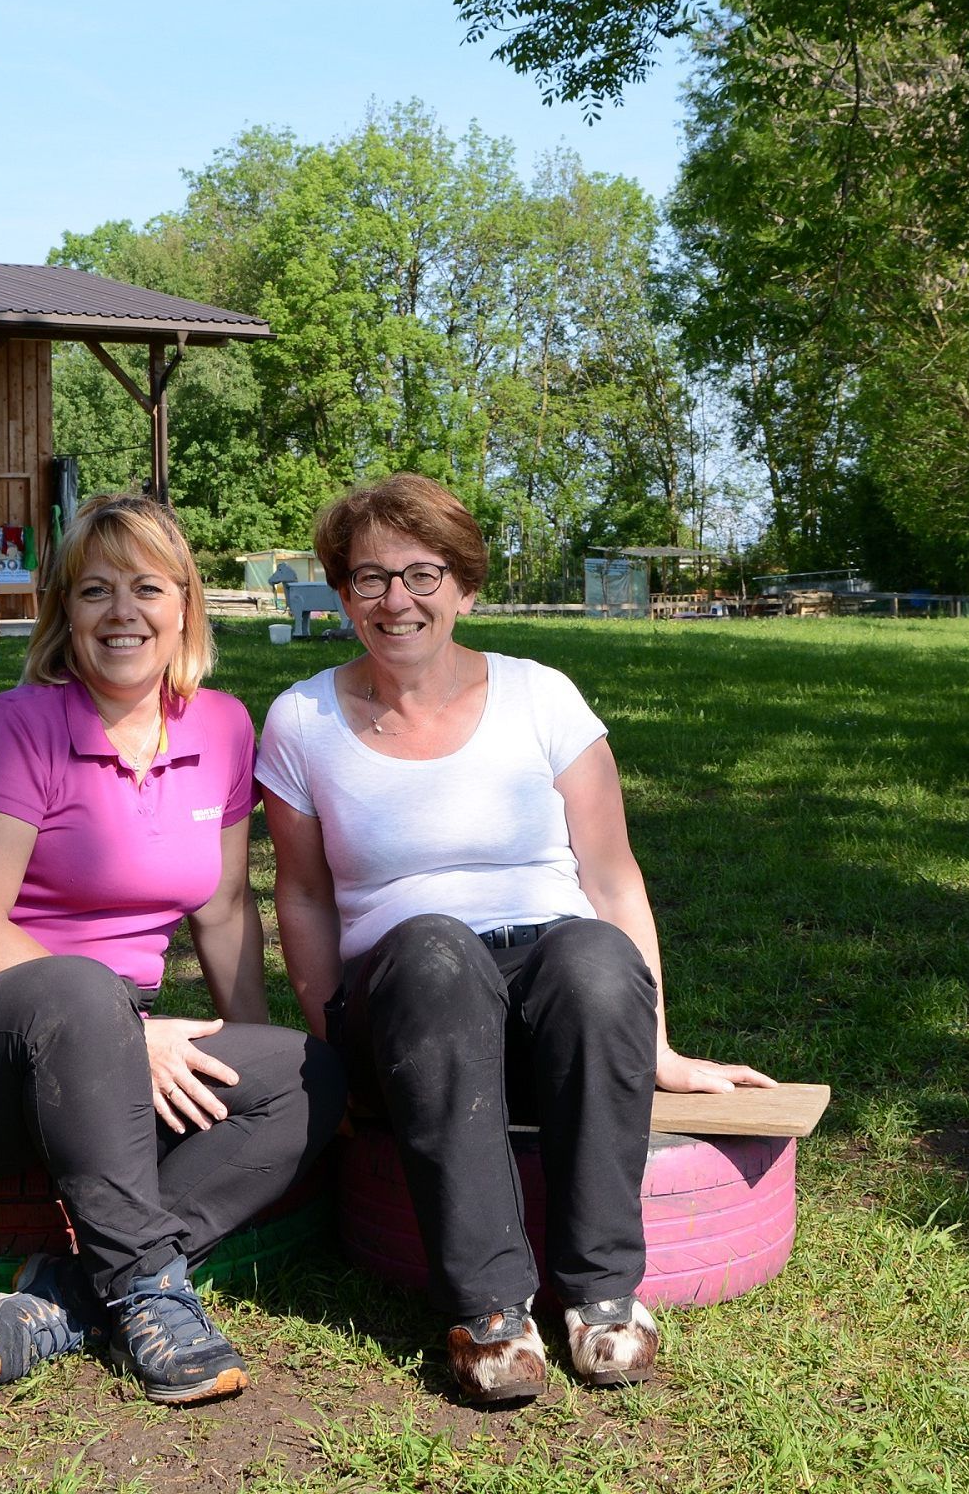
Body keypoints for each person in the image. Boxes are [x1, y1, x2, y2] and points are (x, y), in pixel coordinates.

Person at [0, 494, 344, 1406]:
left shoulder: (220, 728)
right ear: (65, 613)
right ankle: (144, 1291)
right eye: (95, 591)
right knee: (78, 991)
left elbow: (220, 908)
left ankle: (66, 1291)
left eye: (146, 588)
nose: (122, 613)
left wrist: (239, 1062)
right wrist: (123, 1032)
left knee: (309, 1075)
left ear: (185, 606)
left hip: (102, 1044)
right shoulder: (12, 727)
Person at [255, 474, 773, 1406]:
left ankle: (602, 1291)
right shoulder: (302, 719)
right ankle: (488, 1307)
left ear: (464, 587)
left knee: (592, 955)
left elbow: (612, 880)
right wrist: (329, 1049)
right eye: (369, 579)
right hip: (411, 1010)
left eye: (421, 574)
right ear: (342, 595)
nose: (396, 601)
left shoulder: (543, 697)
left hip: (552, 1012)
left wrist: (658, 1049)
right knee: (433, 950)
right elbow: (300, 897)